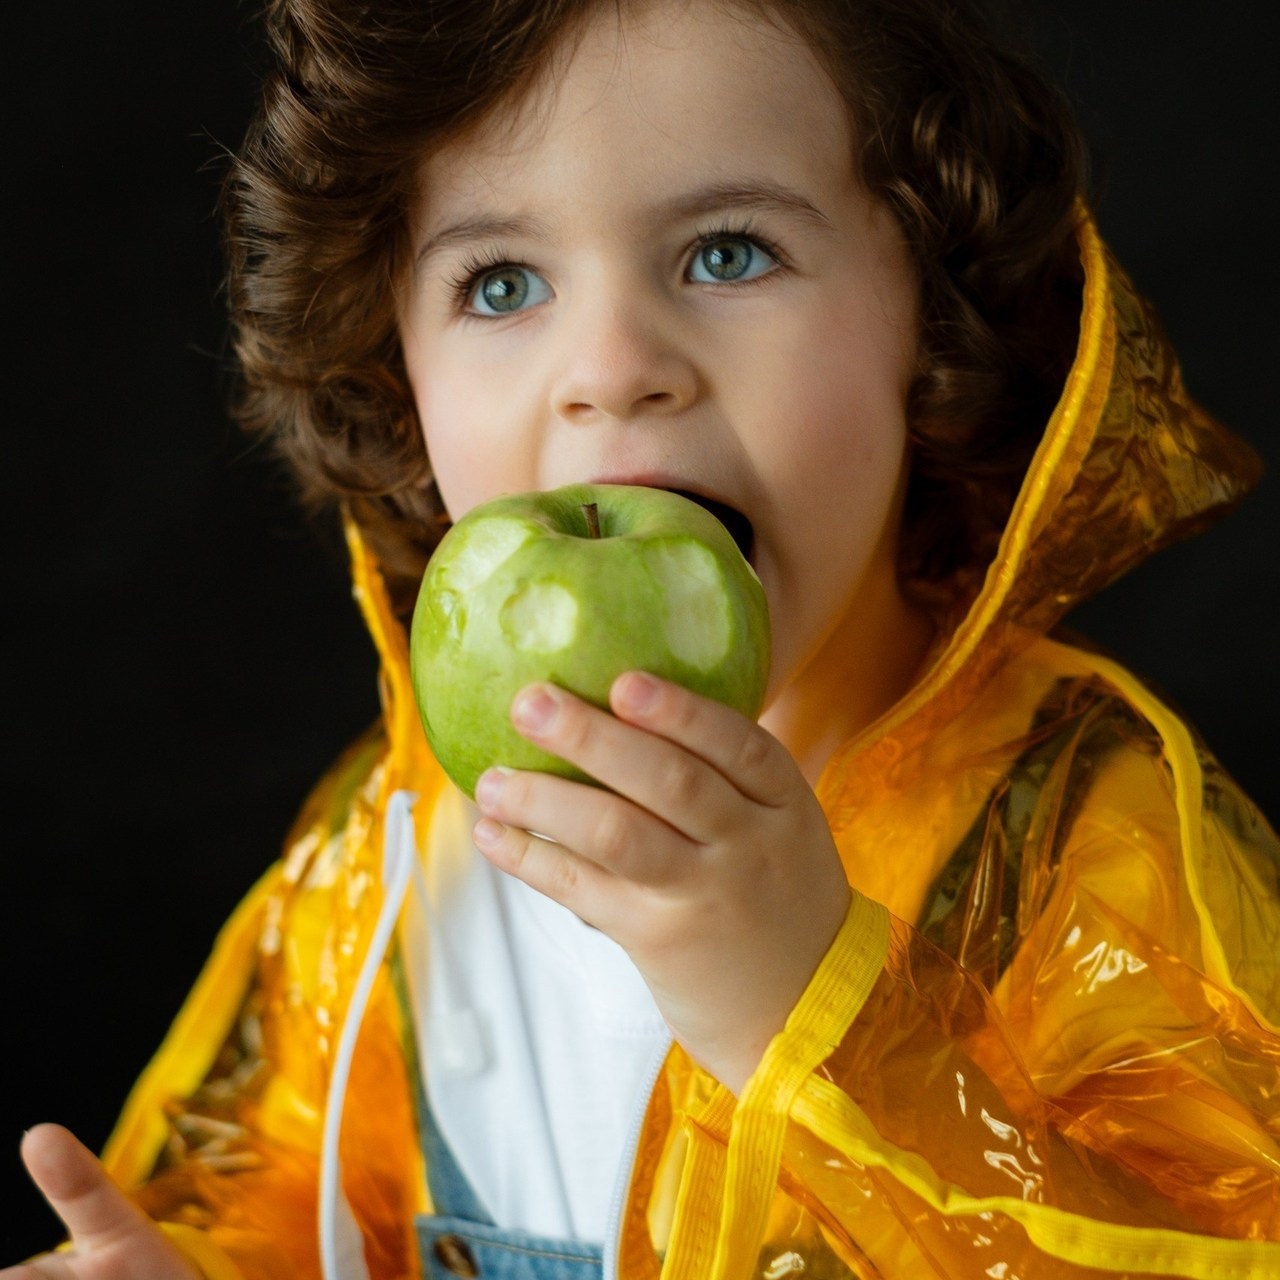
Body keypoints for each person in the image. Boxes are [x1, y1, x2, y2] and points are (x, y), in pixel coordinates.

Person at [7, 0, 1280, 1276]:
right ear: (395, 366)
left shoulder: (1079, 836)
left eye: (727, 252)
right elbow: (289, 1192)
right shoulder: (403, 852)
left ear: (933, 312)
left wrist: (810, 1010)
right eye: (499, 285)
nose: (611, 366)